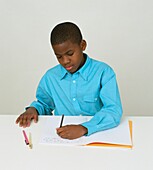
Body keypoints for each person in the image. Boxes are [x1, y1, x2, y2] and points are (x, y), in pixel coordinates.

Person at [16, 22, 123, 140]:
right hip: (62, 137)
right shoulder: (51, 77)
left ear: (82, 45)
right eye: (59, 56)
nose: (65, 61)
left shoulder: (103, 72)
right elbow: (44, 104)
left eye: (70, 54)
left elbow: (113, 110)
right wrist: (34, 109)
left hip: (98, 134)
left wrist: (84, 128)